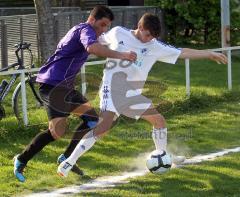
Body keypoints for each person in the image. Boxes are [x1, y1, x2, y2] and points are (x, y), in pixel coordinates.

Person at [57, 13, 228, 177]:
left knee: (159, 120)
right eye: (147, 35)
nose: (150, 39)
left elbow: (182, 52)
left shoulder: (154, 45)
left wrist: (209, 53)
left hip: (132, 94)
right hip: (112, 88)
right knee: (102, 128)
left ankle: (163, 155)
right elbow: (95, 42)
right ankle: (69, 162)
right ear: (139, 26)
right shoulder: (118, 33)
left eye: (153, 36)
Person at [13, 5, 137, 182]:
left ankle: (66, 159)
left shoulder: (89, 32)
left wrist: (136, 38)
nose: (104, 29)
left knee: (93, 120)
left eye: (107, 26)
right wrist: (122, 55)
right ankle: (21, 159)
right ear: (92, 19)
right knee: (56, 132)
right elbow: (92, 49)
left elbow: (107, 42)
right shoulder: (85, 30)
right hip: (52, 85)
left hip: (66, 87)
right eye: (102, 24)